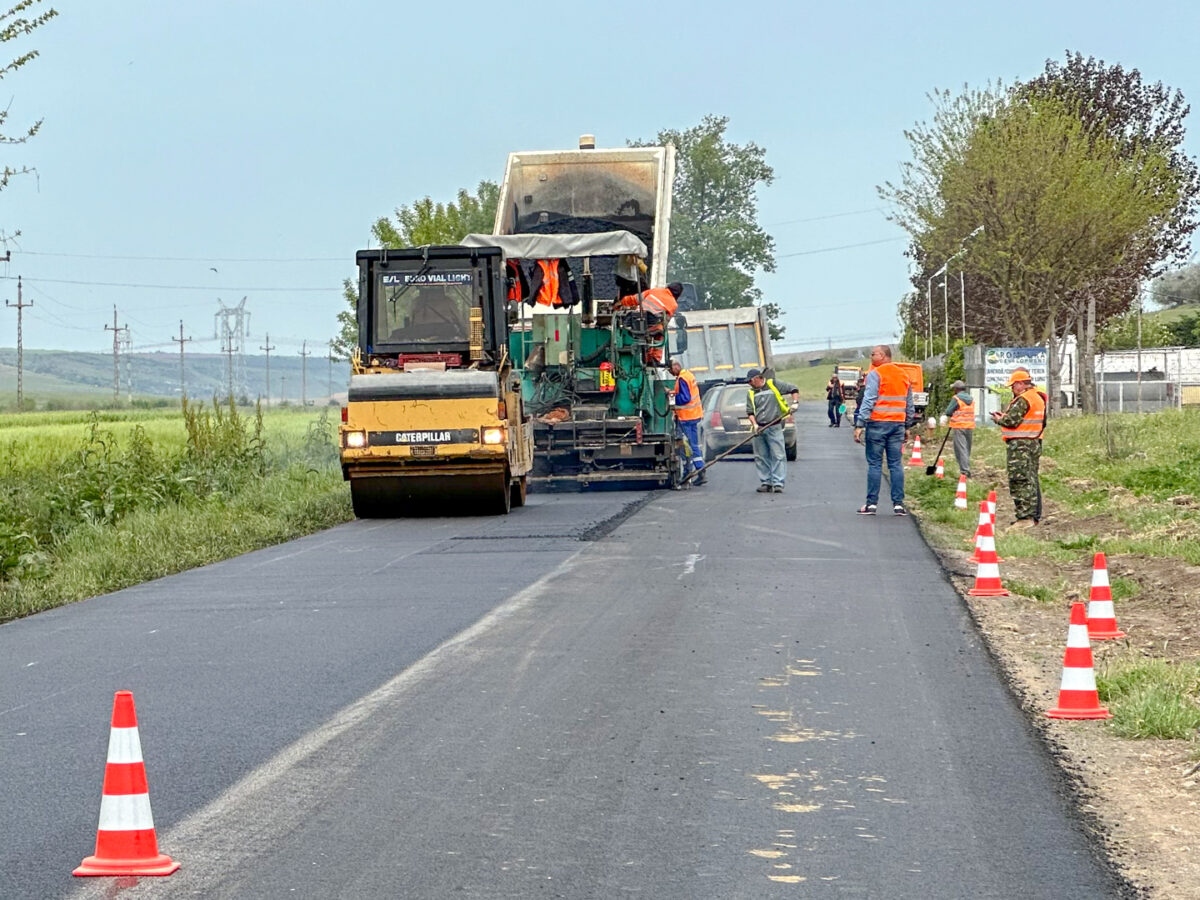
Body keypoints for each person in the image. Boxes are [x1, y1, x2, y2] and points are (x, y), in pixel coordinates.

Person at [853, 344, 914, 516]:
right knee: (895, 464)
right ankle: (898, 505)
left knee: (875, 464)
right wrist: (907, 425)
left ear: (883, 355)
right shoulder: (904, 375)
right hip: (897, 425)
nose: (871, 357)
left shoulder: (876, 374)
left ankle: (871, 504)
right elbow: (909, 404)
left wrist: (859, 424)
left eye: (873, 354)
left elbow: (869, 399)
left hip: (878, 424)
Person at [990, 368, 1047, 529]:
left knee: (1020, 480)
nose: (1012, 389)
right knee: (1030, 479)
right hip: (1033, 442)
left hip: (1021, 446)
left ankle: (1025, 517)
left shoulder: (1024, 399)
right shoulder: (1038, 397)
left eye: (1013, 386)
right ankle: (1033, 515)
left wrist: (999, 419)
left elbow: (1011, 421)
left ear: (1021, 384)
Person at [745, 368, 799, 493]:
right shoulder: (751, 393)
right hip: (759, 428)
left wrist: (795, 402)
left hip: (774, 426)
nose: (749, 383)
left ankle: (778, 483)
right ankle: (766, 482)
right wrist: (755, 425)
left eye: (751, 381)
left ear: (759, 378)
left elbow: (794, 389)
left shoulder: (773, 384)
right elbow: (750, 412)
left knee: (778, 455)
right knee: (761, 456)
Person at [618, 283, 683, 365]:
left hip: (634, 319)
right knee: (660, 334)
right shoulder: (673, 304)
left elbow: (635, 298)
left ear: (667, 287)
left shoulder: (655, 290)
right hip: (651, 325)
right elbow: (665, 321)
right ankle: (654, 359)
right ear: (678, 295)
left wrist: (622, 302)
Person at [669, 358, 706, 485]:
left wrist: (672, 396)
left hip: (685, 417)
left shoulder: (682, 378)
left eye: (670, 369)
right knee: (694, 444)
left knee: (686, 446)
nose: (670, 372)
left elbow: (685, 398)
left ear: (676, 367)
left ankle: (689, 472)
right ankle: (700, 470)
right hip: (693, 415)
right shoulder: (689, 375)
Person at [941, 379, 976, 477]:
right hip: (969, 426)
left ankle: (965, 471)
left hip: (959, 426)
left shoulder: (956, 398)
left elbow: (948, 411)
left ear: (956, 389)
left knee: (961, 449)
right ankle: (965, 467)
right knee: (966, 448)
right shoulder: (971, 399)